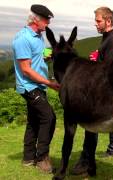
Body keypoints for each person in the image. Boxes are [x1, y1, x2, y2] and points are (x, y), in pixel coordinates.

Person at [71, 6, 113, 175]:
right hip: (103, 91)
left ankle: (87, 161)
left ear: (108, 21)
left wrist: (96, 61)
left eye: (98, 20)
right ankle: (88, 160)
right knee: (90, 128)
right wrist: (98, 57)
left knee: (91, 127)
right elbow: (106, 62)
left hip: (105, 93)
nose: (95, 24)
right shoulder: (108, 38)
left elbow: (109, 70)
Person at [12, 4, 59, 173]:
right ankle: (42, 158)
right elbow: (26, 69)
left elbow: (35, 61)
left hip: (38, 84)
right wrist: (50, 83)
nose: (48, 23)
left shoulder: (38, 36)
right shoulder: (22, 38)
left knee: (33, 121)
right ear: (36, 20)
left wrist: (46, 57)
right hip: (29, 86)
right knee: (49, 117)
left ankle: (28, 158)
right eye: (46, 20)